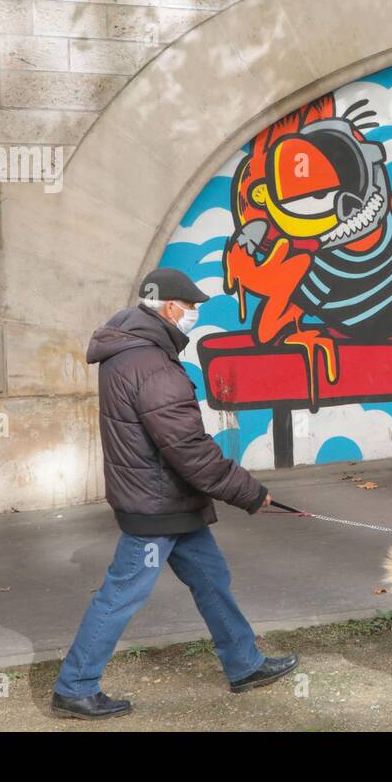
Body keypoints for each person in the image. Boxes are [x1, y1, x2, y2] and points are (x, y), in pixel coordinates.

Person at [51, 267, 298, 720]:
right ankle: (75, 686)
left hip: (169, 500)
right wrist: (250, 492)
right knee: (122, 592)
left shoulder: (132, 352)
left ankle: (245, 664)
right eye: (192, 307)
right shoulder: (150, 364)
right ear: (169, 308)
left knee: (210, 578)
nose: (195, 315)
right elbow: (189, 450)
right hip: (157, 503)